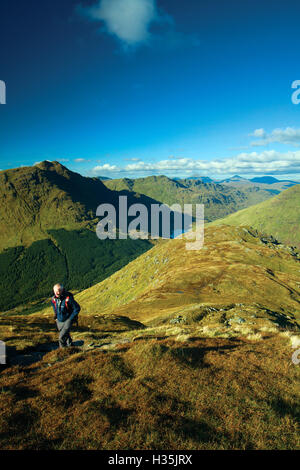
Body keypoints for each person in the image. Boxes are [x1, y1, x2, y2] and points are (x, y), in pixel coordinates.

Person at [51, 283, 80, 348]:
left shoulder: (68, 299)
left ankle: (62, 350)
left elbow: (77, 308)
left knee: (61, 337)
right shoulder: (53, 299)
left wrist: (70, 319)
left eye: (58, 291)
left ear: (62, 290)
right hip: (59, 320)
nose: (57, 293)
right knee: (66, 334)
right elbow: (54, 308)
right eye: (55, 291)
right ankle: (70, 346)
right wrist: (56, 318)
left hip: (68, 319)